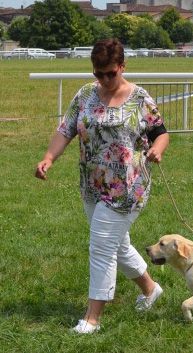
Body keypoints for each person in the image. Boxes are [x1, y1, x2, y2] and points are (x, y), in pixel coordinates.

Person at [35, 38, 169, 334]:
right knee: (117, 245)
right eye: (99, 73)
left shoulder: (140, 98)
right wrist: (48, 158)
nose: (105, 79)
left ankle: (92, 318)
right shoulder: (84, 95)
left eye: (111, 72)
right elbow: (65, 130)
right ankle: (150, 290)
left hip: (128, 187)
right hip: (92, 185)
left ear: (122, 66)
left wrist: (158, 149)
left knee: (101, 246)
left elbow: (161, 132)